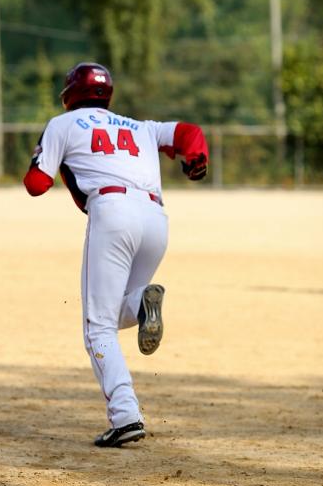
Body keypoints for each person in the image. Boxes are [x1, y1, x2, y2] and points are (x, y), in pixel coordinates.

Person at [23, 62, 209, 448]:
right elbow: (188, 132)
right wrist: (195, 158)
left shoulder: (63, 123)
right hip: (156, 218)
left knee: (98, 326)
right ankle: (142, 302)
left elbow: (36, 184)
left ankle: (125, 416)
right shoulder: (141, 127)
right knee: (118, 309)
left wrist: (42, 157)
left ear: (70, 94)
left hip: (112, 213)